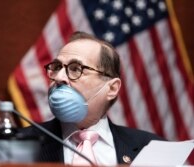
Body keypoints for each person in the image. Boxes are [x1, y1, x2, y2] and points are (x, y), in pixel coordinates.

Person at [19, 31, 164, 166]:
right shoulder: (18, 143)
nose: (59, 77)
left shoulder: (152, 148)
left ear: (112, 88)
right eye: (57, 67)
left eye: (75, 69)